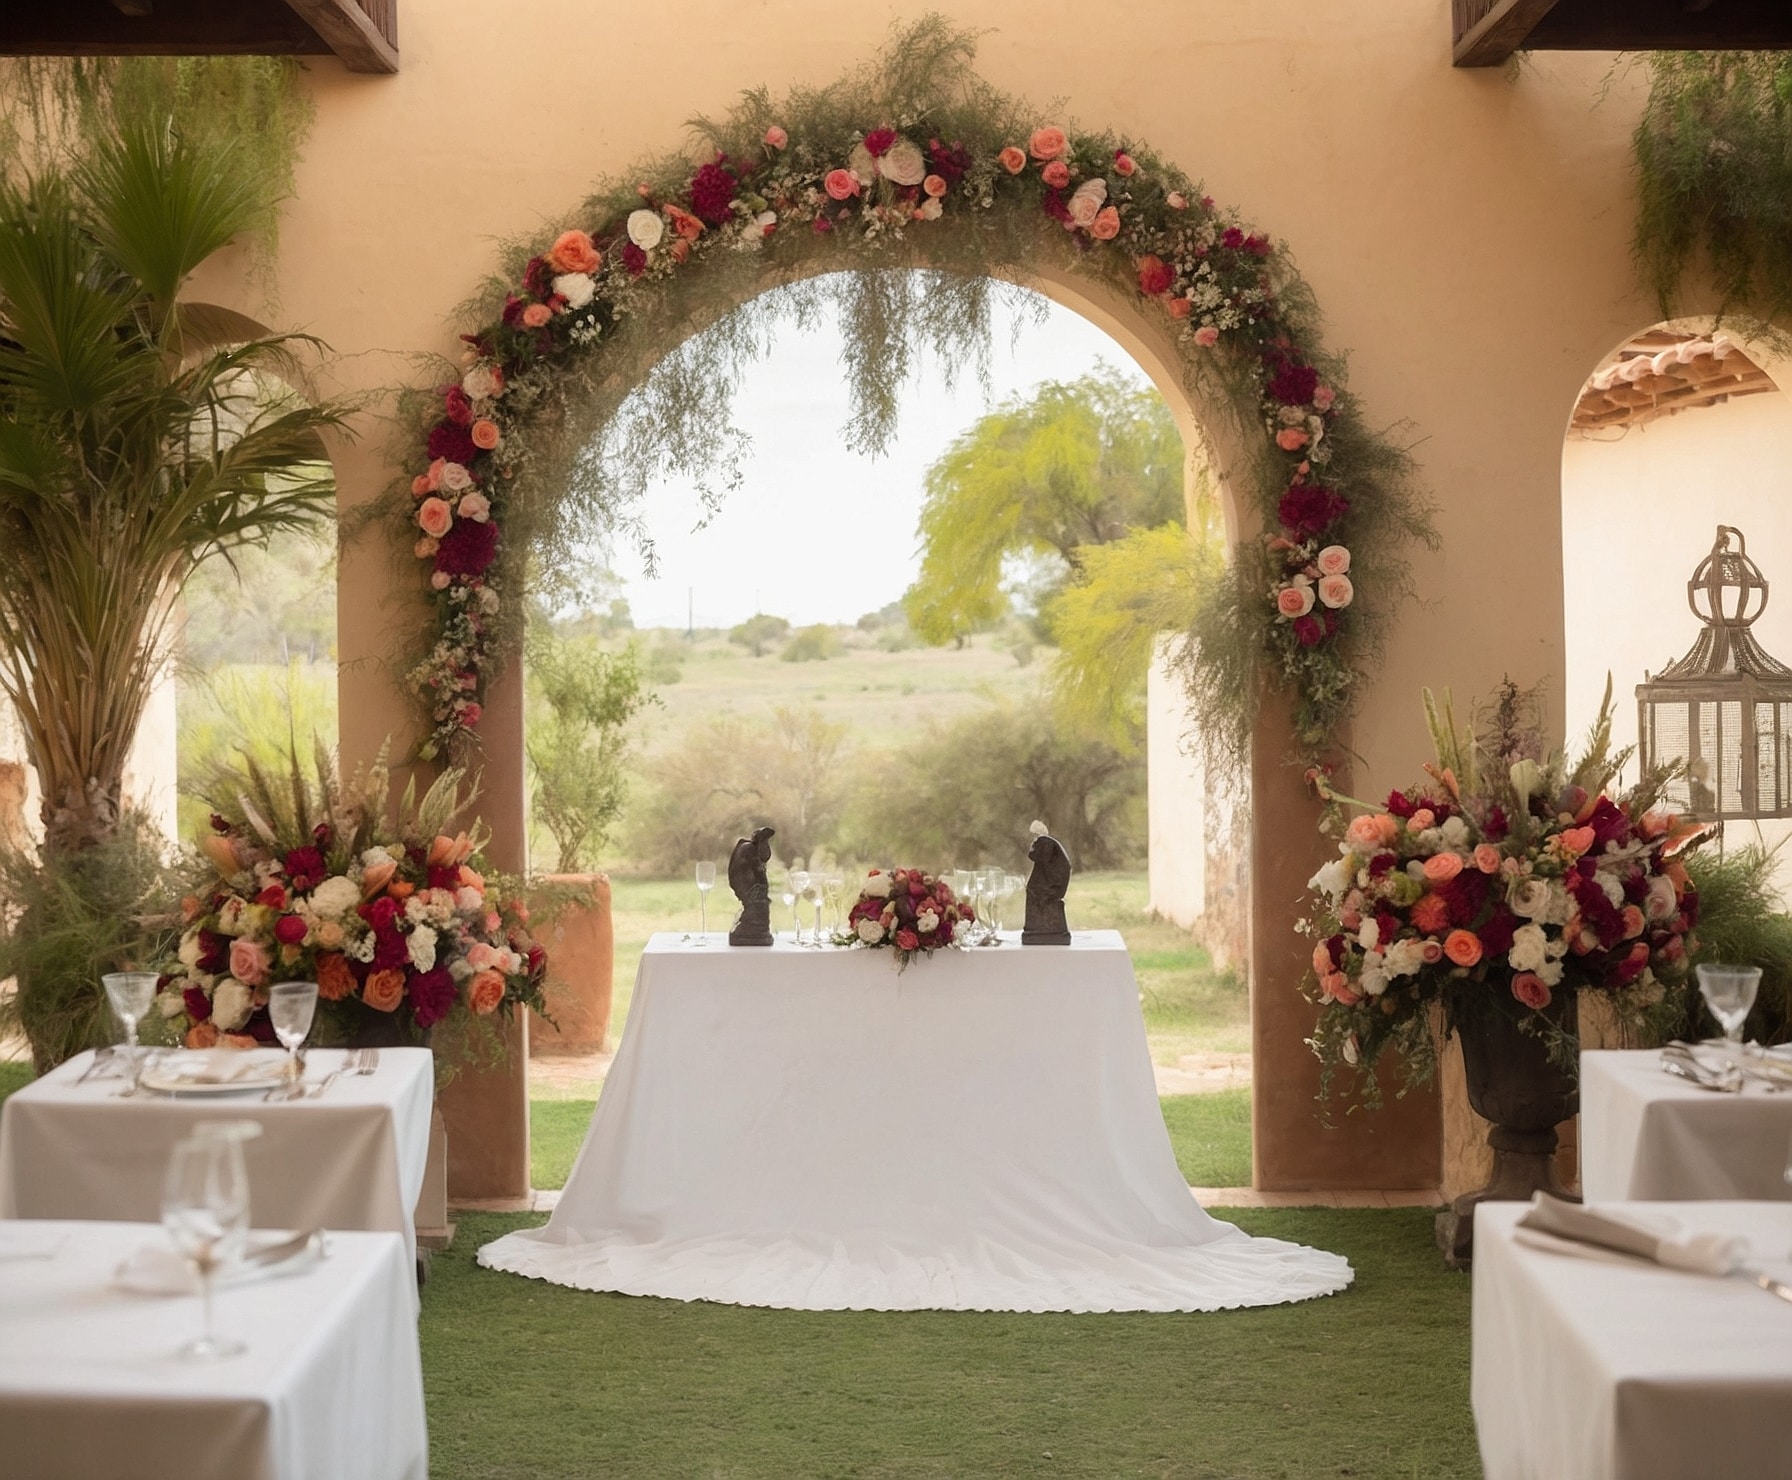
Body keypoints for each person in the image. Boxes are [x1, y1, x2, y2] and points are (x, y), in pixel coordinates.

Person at [727, 825, 776, 945]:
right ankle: (755, 923)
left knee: (760, 903)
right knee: (758, 903)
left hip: (751, 884)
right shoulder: (747, 849)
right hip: (747, 884)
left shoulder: (753, 852)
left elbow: (761, 865)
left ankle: (757, 925)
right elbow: (749, 871)